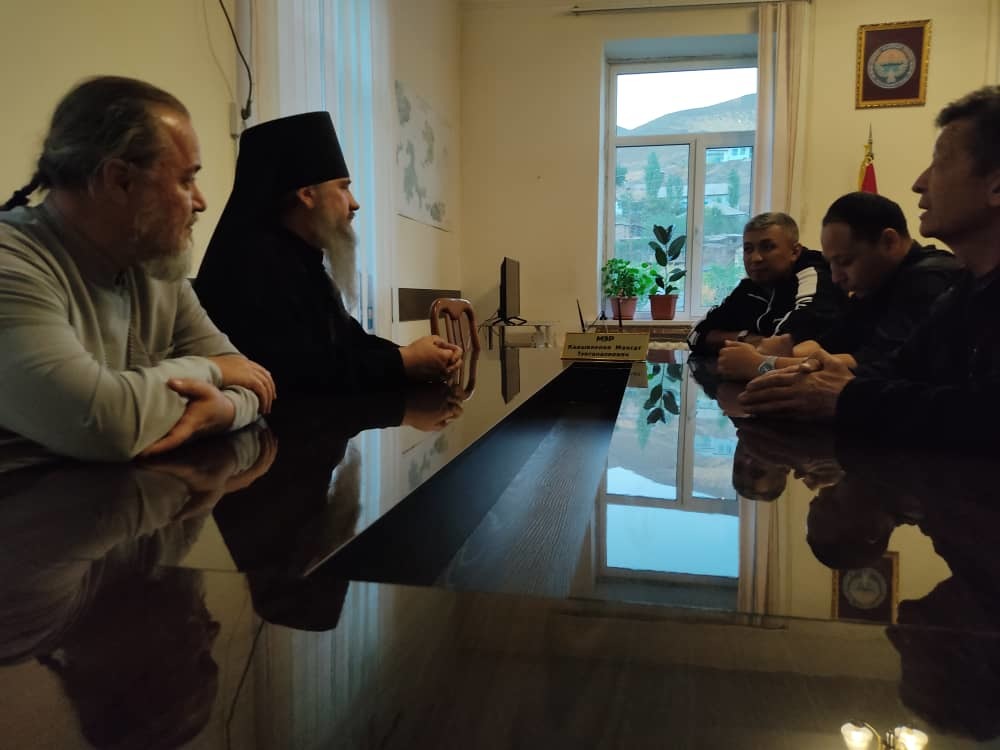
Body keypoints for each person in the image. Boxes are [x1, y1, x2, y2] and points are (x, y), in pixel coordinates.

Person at [0, 76, 275, 462]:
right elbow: (104, 423)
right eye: (186, 180)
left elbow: (251, 380)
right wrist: (211, 371)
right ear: (120, 181)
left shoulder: (154, 263)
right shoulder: (11, 262)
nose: (200, 201)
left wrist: (225, 410)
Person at [739, 86, 1000, 443]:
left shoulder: (935, 278)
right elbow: (901, 367)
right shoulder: (963, 290)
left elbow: (986, 413)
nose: (919, 183)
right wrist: (818, 375)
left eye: (940, 163)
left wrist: (844, 396)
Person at [194, 112, 461, 394]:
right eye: (344, 187)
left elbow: (350, 341)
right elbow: (303, 374)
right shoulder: (253, 266)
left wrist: (410, 353)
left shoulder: (303, 259)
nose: (355, 203)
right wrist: (403, 361)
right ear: (307, 195)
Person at [717, 192, 959, 380]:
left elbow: (881, 367)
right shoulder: (873, 287)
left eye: (845, 262)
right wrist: (791, 351)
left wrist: (763, 365)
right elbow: (826, 344)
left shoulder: (929, 280)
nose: (835, 278)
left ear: (888, 242)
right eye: (830, 263)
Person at [686, 211, 846, 355]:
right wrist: (746, 338)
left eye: (767, 247)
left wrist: (743, 342)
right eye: (748, 249)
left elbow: (784, 345)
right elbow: (695, 335)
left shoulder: (815, 275)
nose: (755, 258)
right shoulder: (751, 285)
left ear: (795, 252)